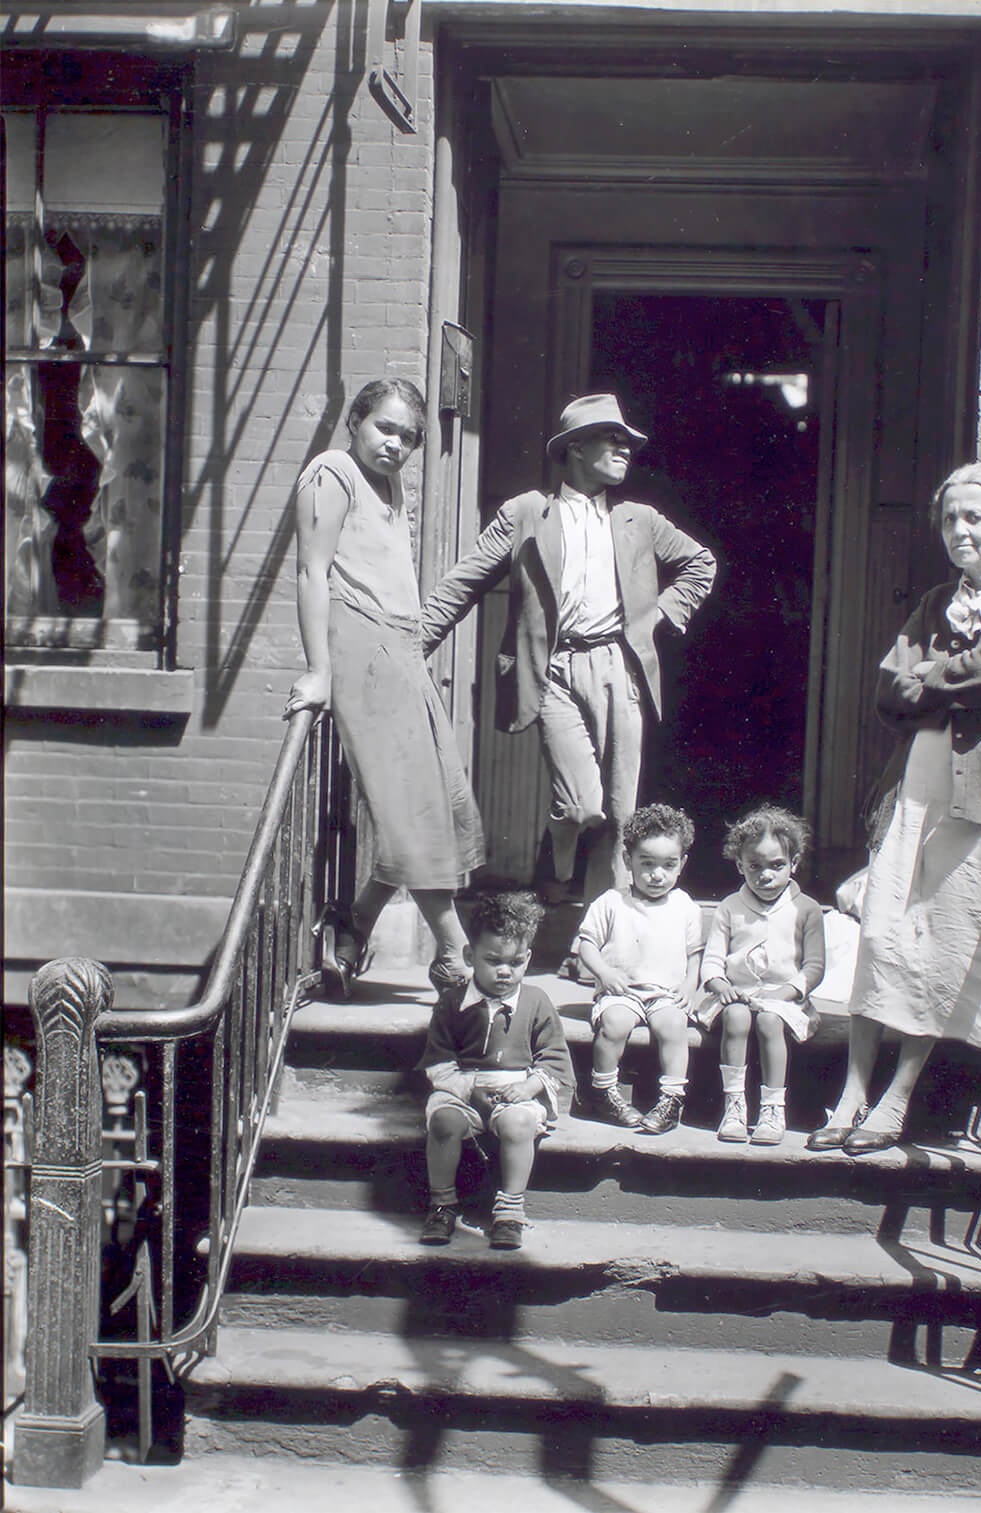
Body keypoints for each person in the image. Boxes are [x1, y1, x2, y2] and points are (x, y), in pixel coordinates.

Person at [809, 462, 981, 1155]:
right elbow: (891, 692)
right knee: (885, 930)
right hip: (914, 781)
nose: (960, 530)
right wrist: (942, 680)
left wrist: (933, 676)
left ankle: (896, 1098)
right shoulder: (932, 603)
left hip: (978, 790)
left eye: (975, 517)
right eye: (950, 518)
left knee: (941, 940)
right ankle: (851, 1092)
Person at [420, 394, 716, 910]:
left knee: (622, 813)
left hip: (619, 667)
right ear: (576, 449)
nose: (625, 447)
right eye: (612, 438)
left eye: (628, 440)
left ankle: (594, 941)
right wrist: (411, 645)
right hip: (553, 670)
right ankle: (552, 865)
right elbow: (462, 583)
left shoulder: (639, 519)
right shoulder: (526, 513)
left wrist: (659, 617)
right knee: (582, 807)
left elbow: (700, 563)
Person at [284, 379, 484, 999]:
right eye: (384, 428)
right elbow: (310, 572)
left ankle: (353, 929)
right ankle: (457, 952)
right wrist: (319, 670)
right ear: (355, 421)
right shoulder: (332, 472)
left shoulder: (390, 485)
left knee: (436, 801)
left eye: (409, 436)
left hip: (402, 650)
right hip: (360, 646)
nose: (395, 444)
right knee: (409, 808)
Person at [416, 891, 574, 1251]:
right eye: (493, 960)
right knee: (444, 1123)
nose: (505, 971)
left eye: (516, 962)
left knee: (517, 1125)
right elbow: (438, 1059)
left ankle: (510, 1209)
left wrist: (530, 1086)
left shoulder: (536, 1002)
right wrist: (468, 1089)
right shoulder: (453, 1002)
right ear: (470, 956)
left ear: (528, 959)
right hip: (462, 1089)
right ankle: (442, 1204)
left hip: (516, 1090)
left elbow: (554, 1057)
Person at [697, 805, 826, 1146]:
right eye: (754, 866)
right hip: (737, 995)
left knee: (769, 1021)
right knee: (737, 1017)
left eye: (777, 865)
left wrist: (786, 992)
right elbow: (712, 960)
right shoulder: (729, 907)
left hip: (783, 1000)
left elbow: (814, 967)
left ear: (794, 863)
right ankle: (734, 1105)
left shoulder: (807, 909)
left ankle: (772, 1108)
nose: (765, 876)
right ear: (740, 865)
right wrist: (720, 984)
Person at [574, 804, 703, 1136]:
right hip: (623, 991)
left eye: (668, 865)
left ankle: (672, 1099)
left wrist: (690, 985)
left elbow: (694, 954)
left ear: (683, 864)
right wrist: (604, 973)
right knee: (614, 1024)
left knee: (674, 1026)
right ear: (627, 860)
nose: (657, 874)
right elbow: (586, 944)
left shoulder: (684, 906)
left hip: (665, 994)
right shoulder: (612, 902)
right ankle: (603, 1091)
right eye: (647, 864)